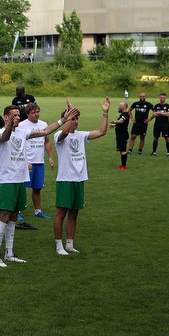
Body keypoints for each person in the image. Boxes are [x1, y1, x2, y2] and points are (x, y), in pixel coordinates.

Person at [0, 104, 76, 268]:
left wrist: (63, 120)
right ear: (6, 117)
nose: (17, 118)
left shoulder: (23, 132)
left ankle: (9, 253)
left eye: (18, 115)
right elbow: (5, 138)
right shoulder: (1, 132)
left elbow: (44, 132)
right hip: (7, 181)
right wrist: (9, 125)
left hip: (19, 180)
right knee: (4, 216)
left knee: (14, 217)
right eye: (13, 115)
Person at [53, 98, 109, 255]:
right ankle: (59, 245)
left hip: (79, 179)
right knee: (61, 213)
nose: (75, 121)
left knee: (74, 213)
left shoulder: (81, 135)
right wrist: (68, 116)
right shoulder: (59, 135)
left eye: (77, 118)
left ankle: (70, 243)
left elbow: (102, 132)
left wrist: (105, 113)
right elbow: (64, 132)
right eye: (72, 118)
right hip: (65, 179)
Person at [18, 103, 54, 220]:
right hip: (27, 162)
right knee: (21, 187)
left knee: (37, 188)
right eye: (33, 112)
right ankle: (17, 211)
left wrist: (50, 157)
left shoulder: (44, 124)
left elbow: (47, 141)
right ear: (27, 114)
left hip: (39, 161)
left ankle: (37, 211)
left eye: (37, 112)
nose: (36, 114)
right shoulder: (21, 125)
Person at [112, 101, 131, 169]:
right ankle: (122, 165)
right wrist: (114, 125)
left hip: (122, 135)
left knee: (123, 150)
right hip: (121, 135)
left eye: (119, 106)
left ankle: (123, 166)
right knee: (121, 150)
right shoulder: (123, 114)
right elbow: (122, 124)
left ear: (124, 107)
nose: (118, 107)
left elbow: (121, 121)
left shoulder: (125, 114)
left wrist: (114, 121)